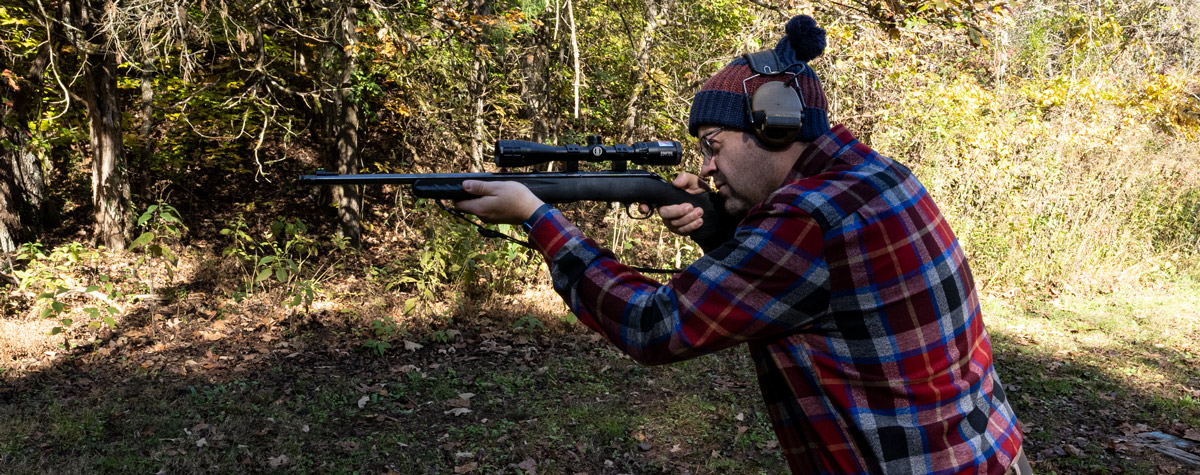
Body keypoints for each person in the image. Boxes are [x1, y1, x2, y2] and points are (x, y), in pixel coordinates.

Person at [454, 14, 1029, 474]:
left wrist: (538, 219)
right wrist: (713, 222)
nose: (705, 167)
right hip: (986, 447)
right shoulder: (874, 176)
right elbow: (807, 283)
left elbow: (655, 327)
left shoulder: (808, 216)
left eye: (712, 145)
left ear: (773, 127)